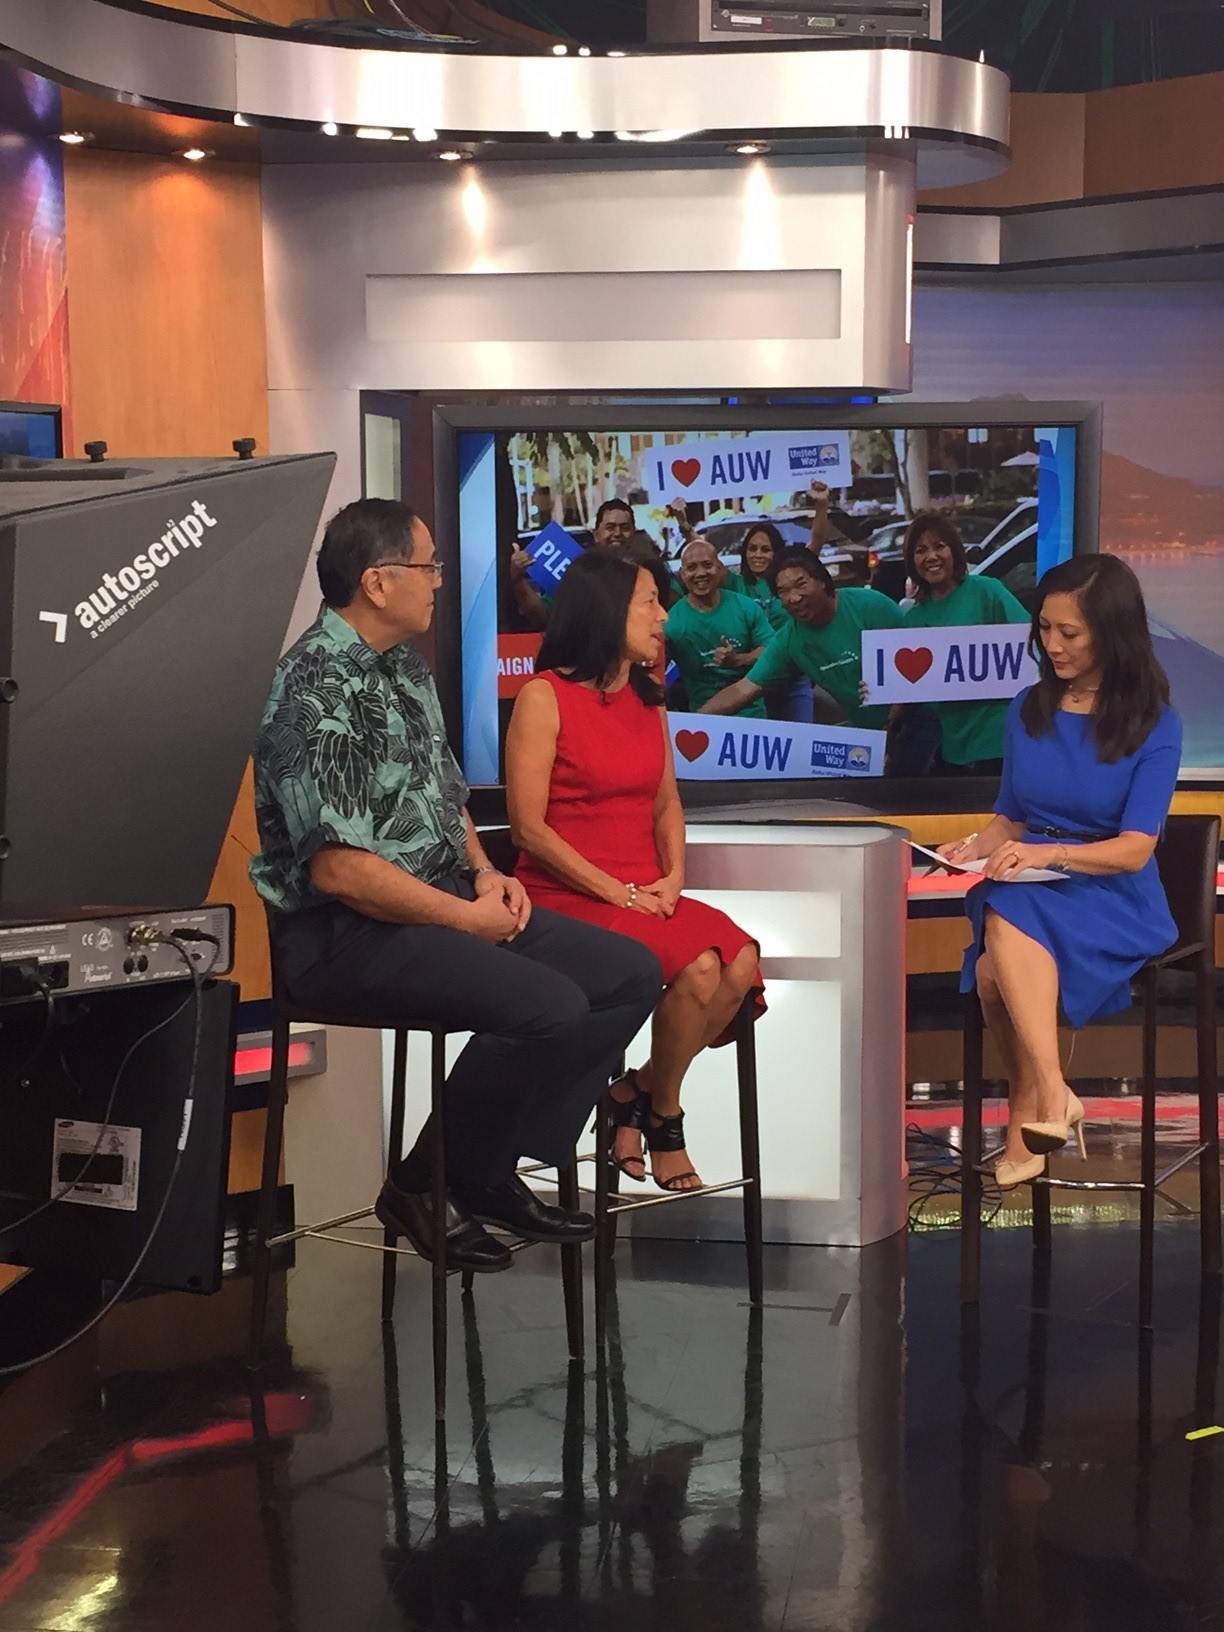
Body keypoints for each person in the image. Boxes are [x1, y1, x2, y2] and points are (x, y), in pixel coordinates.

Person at [250, 498, 663, 1273]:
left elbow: (444, 799)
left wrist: (485, 874)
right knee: (548, 1006)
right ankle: (425, 1183)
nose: (441, 580)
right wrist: (466, 920)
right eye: (428, 565)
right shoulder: (311, 688)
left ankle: (478, 1168)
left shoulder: (404, 667)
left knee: (629, 973)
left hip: (438, 898)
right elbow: (341, 870)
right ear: (378, 582)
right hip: (341, 932)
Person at [505, 551, 763, 1193]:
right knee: (698, 968)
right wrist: (616, 893)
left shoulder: (649, 699)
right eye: (649, 601)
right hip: (566, 894)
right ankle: (666, 1117)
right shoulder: (544, 696)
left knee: (740, 960)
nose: (664, 616)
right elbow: (528, 830)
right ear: (606, 610)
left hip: (643, 889)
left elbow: (666, 803)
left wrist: (673, 877)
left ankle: (633, 1092)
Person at [938, 554, 1181, 1190]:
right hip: (1035, 884)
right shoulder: (1028, 708)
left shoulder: (1155, 724)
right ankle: (1049, 1093)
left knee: (997, 936)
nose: (1052, 645)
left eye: (1069, 632)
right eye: (1044, 628)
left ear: (1112, 632)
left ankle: (1038, 1096)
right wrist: (972, 846)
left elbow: (1135, 849)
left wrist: (1048, 856)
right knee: (997, 935)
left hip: (1112, 893)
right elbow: (1011, 819)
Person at [697, 550, 903, 731]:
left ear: (822, 580)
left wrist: (891, 729)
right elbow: (743, 689)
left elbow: (913, 675)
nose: (794, 598)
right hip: (872, 734)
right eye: (783, 591)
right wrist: (691, 722)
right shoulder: (789, 639)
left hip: (910, 721)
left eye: (801, 584)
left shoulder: (872, 606)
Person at [901, 513, 1029, 775]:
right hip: (952, 749)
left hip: (1000, 741)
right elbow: (909, 688)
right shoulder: (913, 619)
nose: (931, 556)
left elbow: (1030, 644)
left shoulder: (988, 591)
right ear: (912, 562)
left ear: (954, 551)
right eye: (921, 551)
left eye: (939, 546)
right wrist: (877, 687)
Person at [664, 537, 773, 716]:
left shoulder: (746, 607)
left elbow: (772, 650)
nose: (700, 573)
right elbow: (655, 674)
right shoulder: (671, 623)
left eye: (707, 565)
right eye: (692, 568)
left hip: (753, 716)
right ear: (682, 574)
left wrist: (739, 659)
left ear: (720, 568)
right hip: (704, 719)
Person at [509, 498, 643, 629]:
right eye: (610, 527)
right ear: (596, 534)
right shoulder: (577, 572)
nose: (618, 533)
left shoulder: (647, 574)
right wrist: (518, 579)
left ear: (634, 534)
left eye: (624, 527)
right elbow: (544, 618)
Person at [726, 521, 789, 631]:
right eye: (752, 549)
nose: (758, 555)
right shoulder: (736, 584)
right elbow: (708, 559)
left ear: (776, 553)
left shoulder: (788, 582)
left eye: (765, 550)